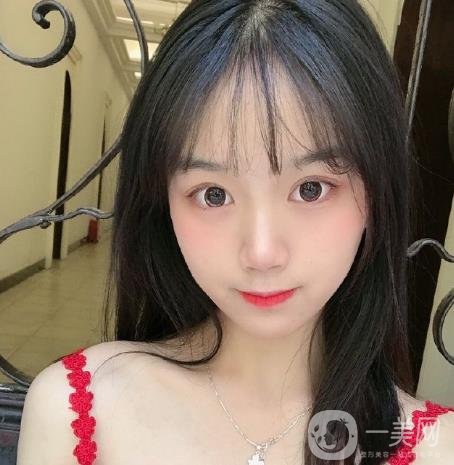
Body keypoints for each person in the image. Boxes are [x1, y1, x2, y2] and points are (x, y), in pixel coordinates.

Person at [16, 1, 454, 464]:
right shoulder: (78, 409)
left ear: (378, 190)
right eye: (213, 195)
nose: (262, 253)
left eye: (311, 188)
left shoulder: (437, 448)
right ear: (162, 204)